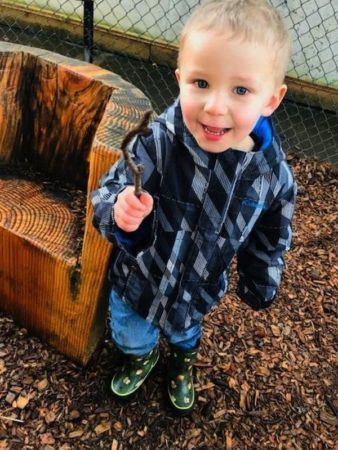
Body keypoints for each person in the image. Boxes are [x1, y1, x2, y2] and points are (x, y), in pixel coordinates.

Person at [91, 0, 296, 415]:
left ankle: (182, 362)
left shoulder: (270, 175)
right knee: (130, 332)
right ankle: (140, 356)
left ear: (271, 99)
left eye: (240, 90)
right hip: (141, 278)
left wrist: (260, 282)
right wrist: (120, 212)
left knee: (186, 333)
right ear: (181, 79)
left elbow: (270, 235)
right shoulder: (159, 142)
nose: (215, 106)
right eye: (201, 83)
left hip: (197, 288)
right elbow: (109, 189)